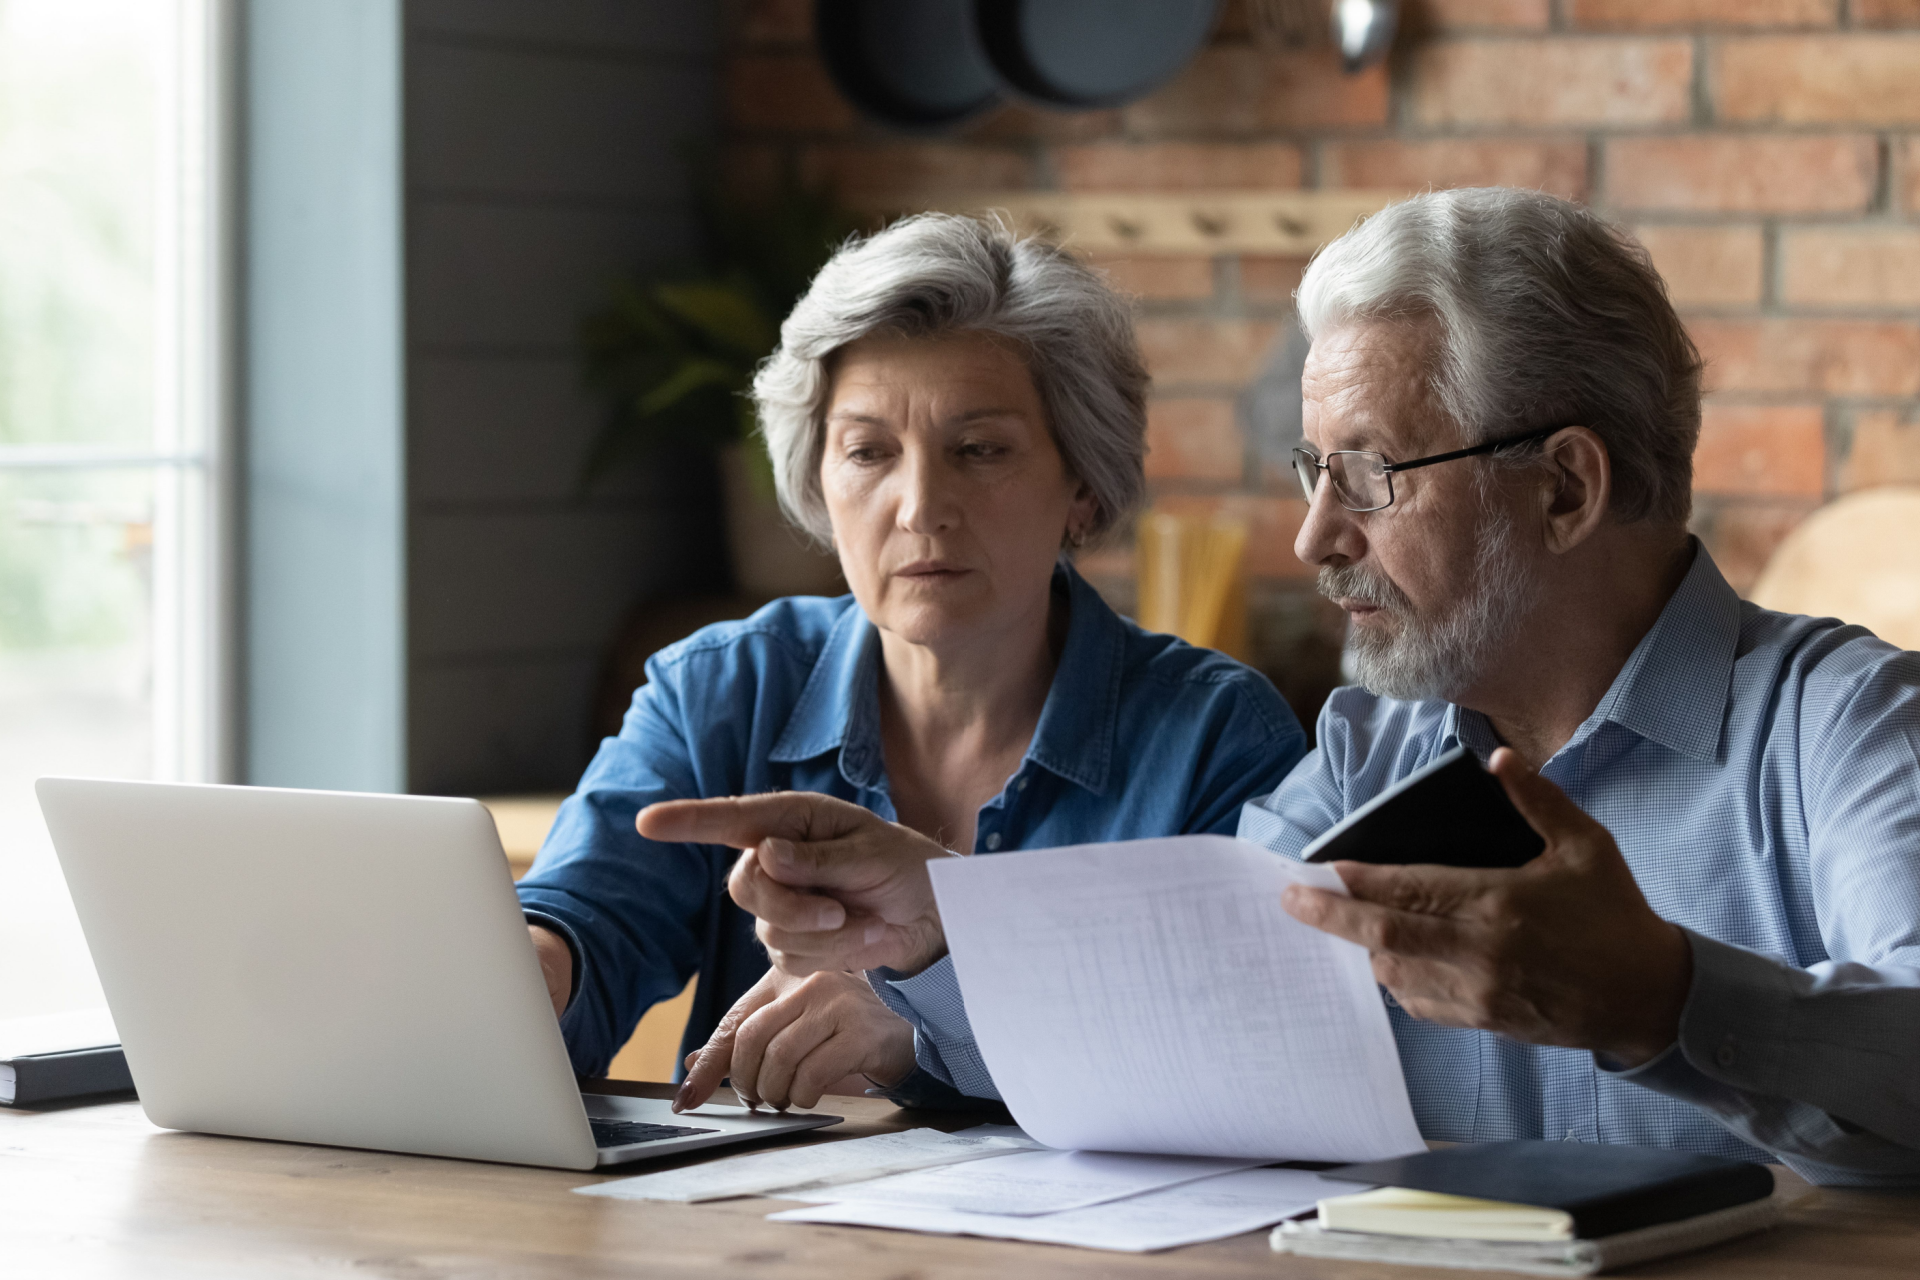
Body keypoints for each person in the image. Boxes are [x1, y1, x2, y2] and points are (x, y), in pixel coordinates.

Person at [659, 188, 1920, 1187]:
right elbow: (1175, 1029)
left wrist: (1664, 995)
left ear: (1565, 487)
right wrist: (939, 930)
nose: (1315, 538)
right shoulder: (1372, 750)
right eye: (1312, 471)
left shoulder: (1849, 728)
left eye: (1367, 475)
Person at [515, 213, 1306, 1113]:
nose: (921, 506)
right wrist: (535, 974)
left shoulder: (1216, 738)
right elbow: (590, 917)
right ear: (819, 481)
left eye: (980, 450)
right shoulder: (721, 690)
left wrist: (926, 1030)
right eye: (868, 452)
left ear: (1082, 486)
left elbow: (1242, 1053)